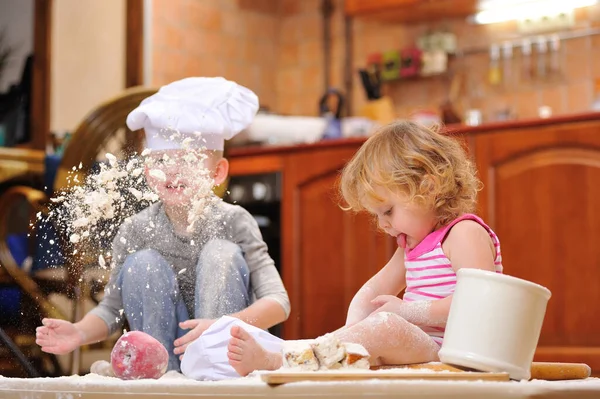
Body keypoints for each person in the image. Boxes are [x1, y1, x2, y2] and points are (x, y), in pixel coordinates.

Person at [35, 77, 290, 373]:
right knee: (142, 263)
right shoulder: (136, 229)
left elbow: (278, 302)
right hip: (161, 362)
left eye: (187, 160)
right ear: (147, 172)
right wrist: (79, 332)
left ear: (218, 172)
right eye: (161, 160)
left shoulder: (234, 222)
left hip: (224, 356)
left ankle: (212, 375)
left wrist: (226, 324)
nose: (172, 170)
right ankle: (160, 377)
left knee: (221, 253)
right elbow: (113, 309)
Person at [225, 120, 503, 376]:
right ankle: (307, 358)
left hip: (457, 352)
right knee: (368, 341)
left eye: (388, 211)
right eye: (377, 215)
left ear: (428, 188)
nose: (382, 225)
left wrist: (408, 312)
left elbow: (478, 304)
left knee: (386, 327)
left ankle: (282, 360)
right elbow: (372, 293)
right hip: (421, 348)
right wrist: (352, 331)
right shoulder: (412, 245)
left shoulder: (464, 233)